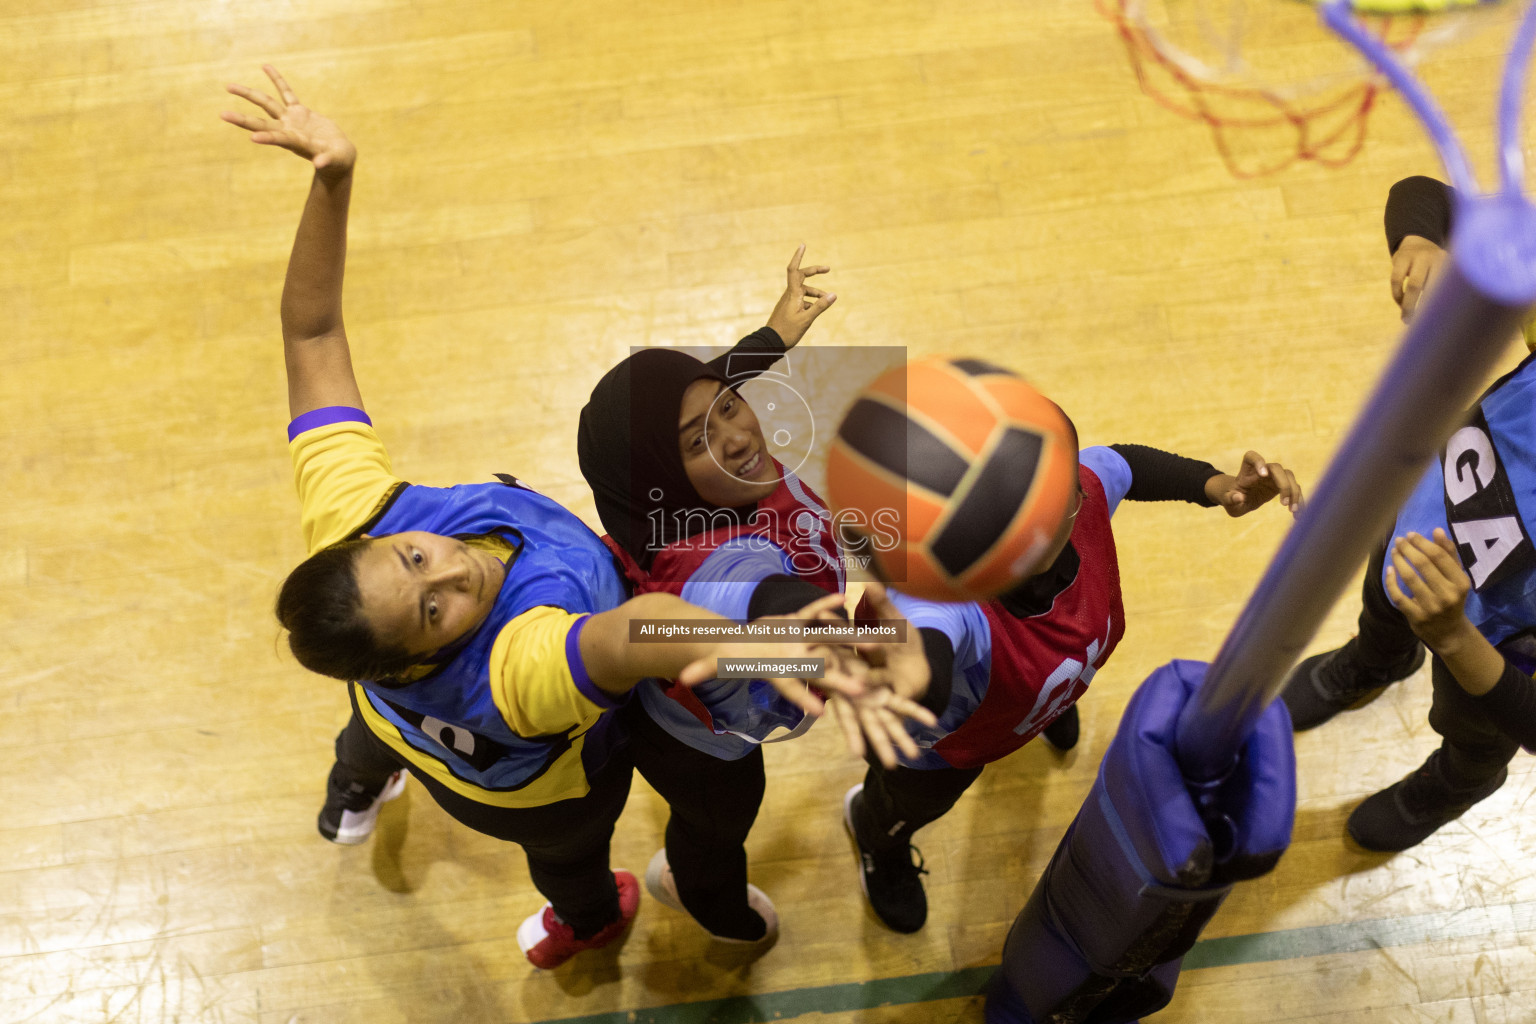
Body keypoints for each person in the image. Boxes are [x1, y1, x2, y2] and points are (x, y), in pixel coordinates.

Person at [221, 67, 862, 969]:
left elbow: (313, 333)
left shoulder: (353, 514)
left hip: (387, 705)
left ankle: (353, 789)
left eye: (412, 560)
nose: (453, 570)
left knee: (369, 725)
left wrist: (334, 176)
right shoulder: (522, 666)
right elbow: (652, 631)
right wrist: (793, 649)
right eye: (435, 608)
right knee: (570, 857)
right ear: (421, 653)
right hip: (536, 791)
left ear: (364, 539)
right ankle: (591, 921)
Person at [577, 266, 937, 945]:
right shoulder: (702, 563)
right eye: (695, 440)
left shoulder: (713, 483)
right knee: (716, 828)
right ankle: (709, 903)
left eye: (730, 407)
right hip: (702, 747)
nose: (737, 436)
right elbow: (760, 592)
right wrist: (827, 619)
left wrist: (775, 335)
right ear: (659, 472)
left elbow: (707, 388)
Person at [844, 426, 1305, 933]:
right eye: (1007, 507)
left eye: (1050, 500)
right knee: (908, 804)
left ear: (1077, 494)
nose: (1031, 524)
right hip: (938, 751)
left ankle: (1044, 700)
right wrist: (911, 673)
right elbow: (924, 641)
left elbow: (1124, 463)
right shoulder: (943, 596)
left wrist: (1215, 486)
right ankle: (875, 834)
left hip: (1022, 692)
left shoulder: (1083, 500)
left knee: (1029, 681)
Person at [1279, 175, 1536, 853]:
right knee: (1382, 600)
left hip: (1496, 650)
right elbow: (1427, 194)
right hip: (1419, 523)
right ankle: (1375, 660)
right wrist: (1423, 241)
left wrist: (1452, 637)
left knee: (1473, 734)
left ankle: (1455, 785)